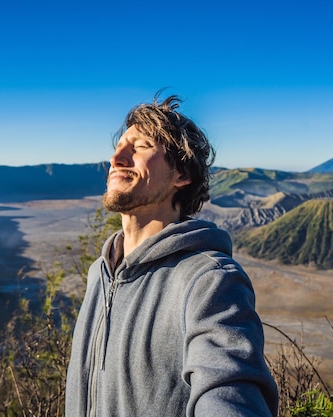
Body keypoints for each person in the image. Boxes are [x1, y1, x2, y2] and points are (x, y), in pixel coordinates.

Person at [65, 94, 278, 416]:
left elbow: (229, 386)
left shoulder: (210, 280)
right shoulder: (101, 271)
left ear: (182, 175)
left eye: (141, 146)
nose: (117, 158)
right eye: (120, 146)